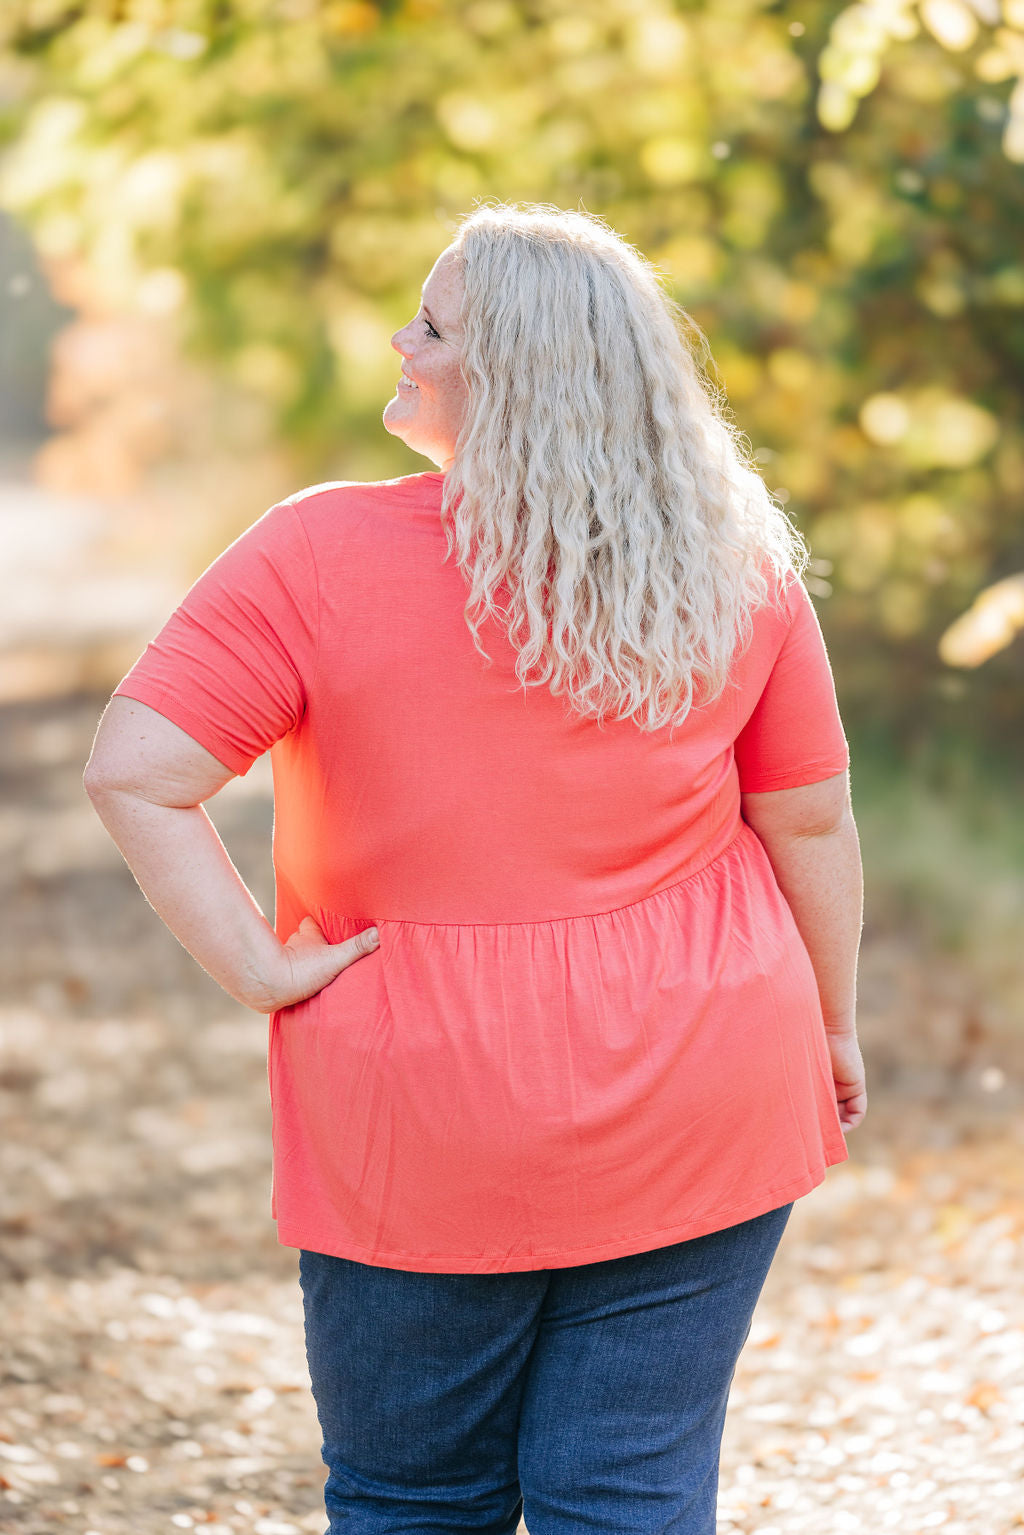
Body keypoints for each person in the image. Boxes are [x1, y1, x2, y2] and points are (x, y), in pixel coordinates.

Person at [84, 200, 866, 1535]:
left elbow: (135, 773)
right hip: (708, 1084)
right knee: (624, 1495)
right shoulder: (733, 562)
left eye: (433, 325)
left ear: (513, 376)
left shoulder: (313, 553)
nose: (404, 339)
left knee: (411, 1499)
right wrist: (834, 1028)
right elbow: (809, 821)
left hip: (417, 1113)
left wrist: (261, 970)